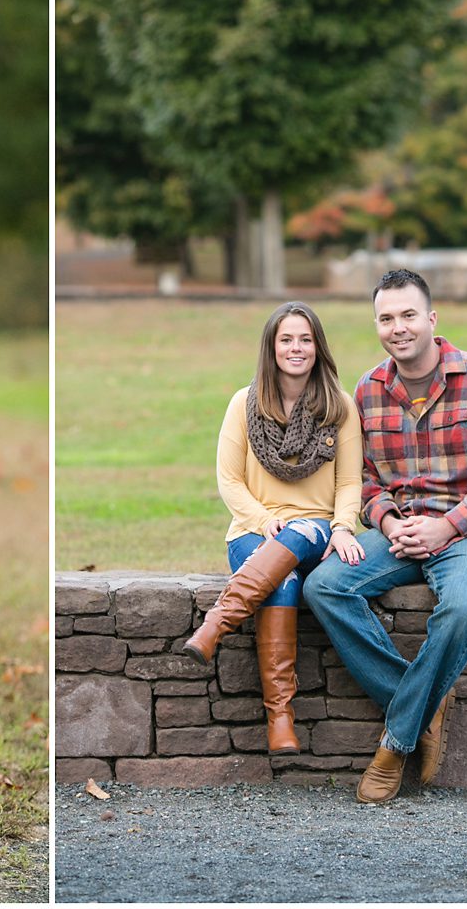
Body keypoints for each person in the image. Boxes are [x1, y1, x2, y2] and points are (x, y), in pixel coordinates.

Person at [303, 269, 467, 804]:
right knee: (323, 586)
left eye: (408, 315)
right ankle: (425, 704)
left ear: (431, 318)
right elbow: (361, 478)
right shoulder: (367, 390)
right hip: (401, 529)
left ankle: (396, 741)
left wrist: (447, 526)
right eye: (386, 318)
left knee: (460, 609)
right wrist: (387, 522)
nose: (398, 327)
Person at [180, 302, 365, 754]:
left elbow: (349, 482)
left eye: (305, 339)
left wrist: (343, 527)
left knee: (301, 530)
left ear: (318, 347)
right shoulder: (242, 405)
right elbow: (230, 481)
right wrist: (265, 521)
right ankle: (280, 717)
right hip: (252, 531)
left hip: (317, 531)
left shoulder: (339, 407)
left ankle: (216, 623)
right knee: (282, 582)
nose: (296, 348)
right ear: (272, 347)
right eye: (286, 339)